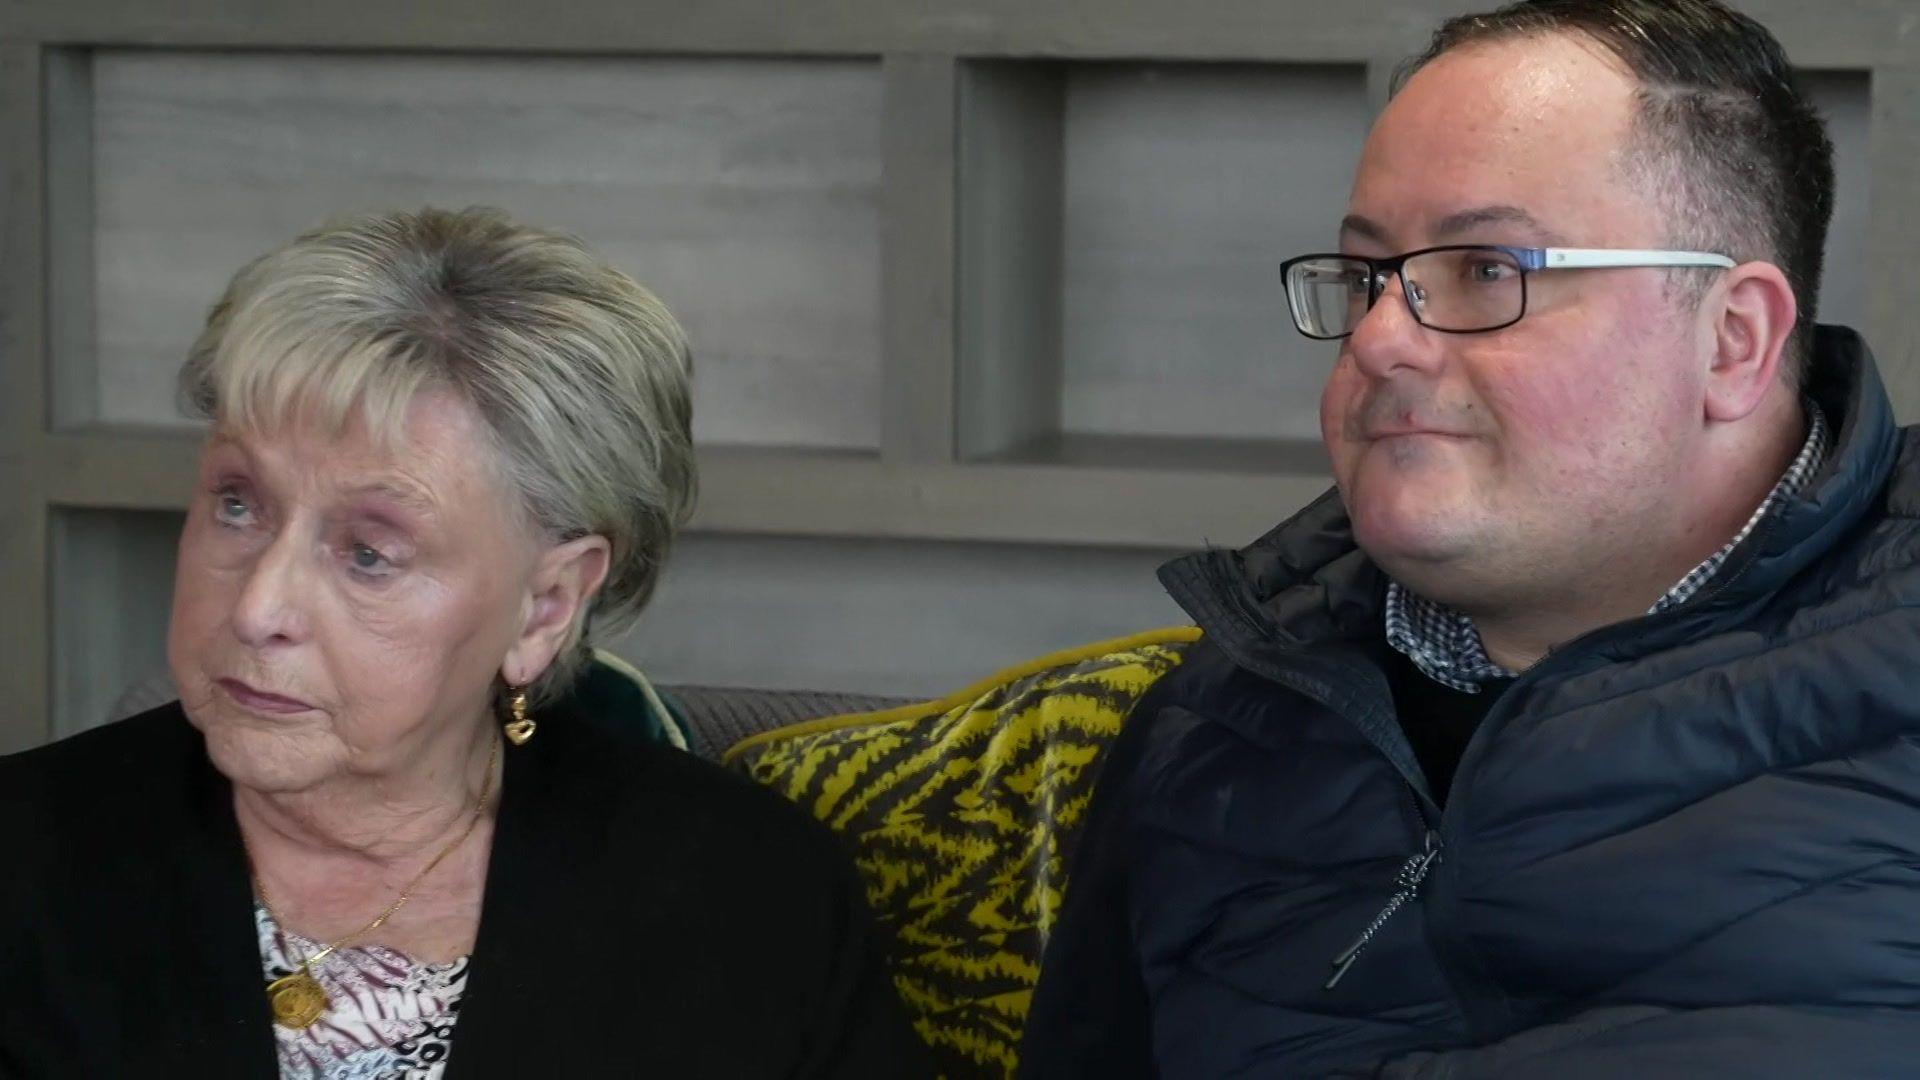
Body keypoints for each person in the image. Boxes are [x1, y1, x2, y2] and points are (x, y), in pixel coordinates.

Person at [1021, 1, 1920, 1075]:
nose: (1380, 341)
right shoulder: (1219, 730)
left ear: (1732, 340)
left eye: (1487, 271)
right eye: (1367, 278)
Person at [0, 207, 925, 1078]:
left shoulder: (746, 898)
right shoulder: (27, 855)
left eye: (369, 553)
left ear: (545, 607)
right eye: (238, 505)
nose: (257, 607)